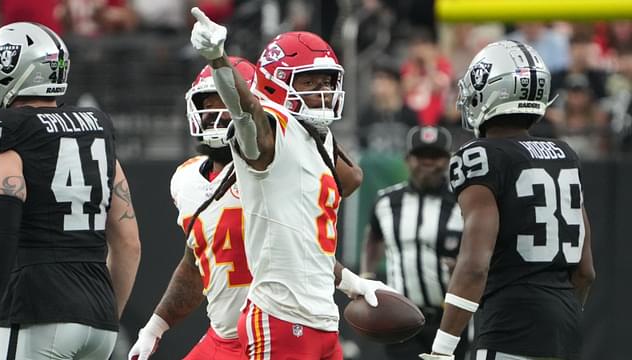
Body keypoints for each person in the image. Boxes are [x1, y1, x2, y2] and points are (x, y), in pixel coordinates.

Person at [189, 8, 394, 359]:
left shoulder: (317, 136)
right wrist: (218, 60)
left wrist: (350, 282)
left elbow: (340, 197)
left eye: (328, 82)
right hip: (280, 315)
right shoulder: (274, 129)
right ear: (275, 83)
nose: (324, 91)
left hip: (322, 316)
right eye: (310, 82)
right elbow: (245, 110)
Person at [420, 40, 596, 360]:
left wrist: (442, 351)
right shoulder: (564, 154)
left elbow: (474, 266)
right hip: (566, 332)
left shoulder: (479, 156)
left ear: (491, 91)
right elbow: (585, 271)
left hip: (508, 331)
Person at [0, 22, 141, 359]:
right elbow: (129, 243)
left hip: (35, 307)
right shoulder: (97, 132)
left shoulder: (11, 133)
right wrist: (104, 317)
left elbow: (0, 231)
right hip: (99, 319)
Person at [127, 57, 256, 360]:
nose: (215, 115)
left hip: (273, 335)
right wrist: (155, 326)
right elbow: (197, 259)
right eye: (209, 104)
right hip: (224, 336)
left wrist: (350, 281)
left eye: (227, 103)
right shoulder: (187, 178)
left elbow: (307, 248)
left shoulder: (274, 172)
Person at [361, 125, 468, 359]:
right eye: (421, 156)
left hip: (449, 319)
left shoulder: (463, 204)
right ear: (408, 160)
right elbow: (373, 238)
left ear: (448, 160)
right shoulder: (386, 202)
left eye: (435, 156)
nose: (428, 163)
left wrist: (461, 267)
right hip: (402, 318)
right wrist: (366, 276)